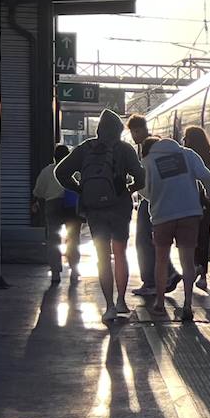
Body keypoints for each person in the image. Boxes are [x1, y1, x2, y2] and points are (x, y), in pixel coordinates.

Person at [55, 109, 145, 322]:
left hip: (95, 210)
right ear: (118, 130)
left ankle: (109, 306)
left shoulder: (85, 149)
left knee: (103, 257)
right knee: (120, 254)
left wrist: (80, 189)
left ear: (98, 130)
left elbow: (60, 172)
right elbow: (141, 178)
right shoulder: (125, 149)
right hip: (120, 208)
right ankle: (122, 300)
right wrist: (129, 189)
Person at [143, 134, 210, 321]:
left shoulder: (150, 160)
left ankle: (159, 303)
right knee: (187, 260)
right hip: (189, 214)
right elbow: (207, 176)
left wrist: (155, 199)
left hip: (162, 216)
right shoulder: (188, 154)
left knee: (161, 259)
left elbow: (144, 189)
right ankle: (187, 304)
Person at [126, 114, 179, 298]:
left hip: (151, 199)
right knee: (153, 241)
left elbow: (148, 176)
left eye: (136, 131)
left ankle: (151, 281)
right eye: (132, 132)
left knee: (144, 240)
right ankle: (169, 274)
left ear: (143, 129)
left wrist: (134, 186)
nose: (134, 135)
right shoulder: (147, 145)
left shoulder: (150, 146)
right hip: (153, 198)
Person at [32, 143, 81, 284]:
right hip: (71, 206)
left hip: (52, 204)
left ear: (54, 157)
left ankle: (55, 273)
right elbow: (80, 187)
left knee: (53, 239)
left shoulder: (47, 171)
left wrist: (35, 201)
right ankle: (74, 269)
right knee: (73, 239)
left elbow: (38, 191)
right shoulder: (74, 171)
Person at [182, 125, 210, 291]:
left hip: (191, 205)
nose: (183, 140)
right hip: (206, 206)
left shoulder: (187, 157)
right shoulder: (209, 160)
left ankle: (195, 269)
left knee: (192, 239)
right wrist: (209, 193)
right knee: (203, 239)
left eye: (186, 137)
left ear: (191, 140)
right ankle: (202, 274)